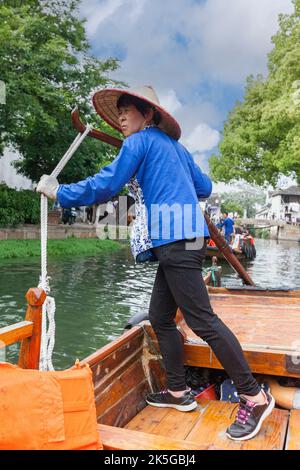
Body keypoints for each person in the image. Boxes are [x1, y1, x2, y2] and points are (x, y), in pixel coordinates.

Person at [37, 85, 274, 441]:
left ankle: (254, 396)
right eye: (118, 111)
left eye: (127, 109)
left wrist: (61, 192)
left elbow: (109, 183)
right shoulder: (176, 148)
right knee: (161, 317)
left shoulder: (139, 143)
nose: (120, 116)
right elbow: (204, 187)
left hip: (176, 239)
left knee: (202, 320)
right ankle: (179, 392)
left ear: (148, 115)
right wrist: (165, 171)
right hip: (184, 239)